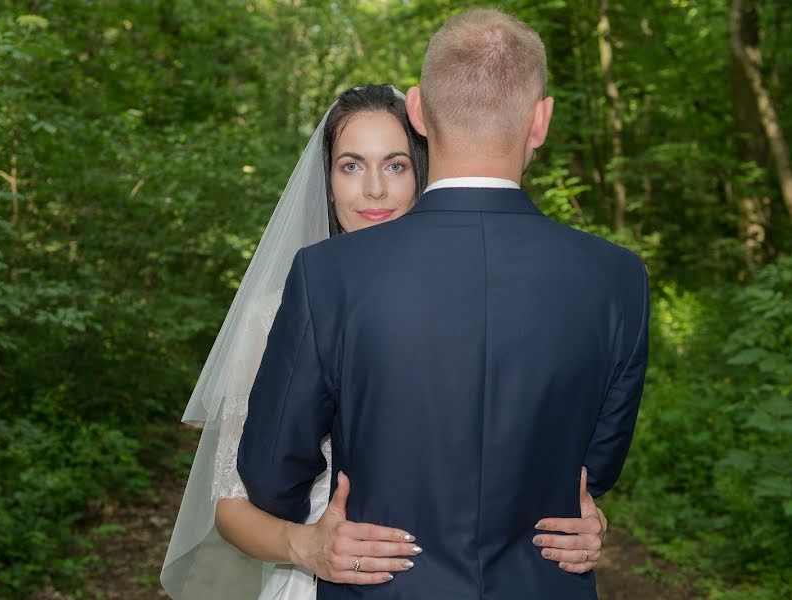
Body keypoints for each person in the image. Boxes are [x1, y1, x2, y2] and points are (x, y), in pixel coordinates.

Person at [237, 10, 648, 600]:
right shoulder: (618, 278)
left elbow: (271, 474)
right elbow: (595, 472)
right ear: (540, 120)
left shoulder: (330, 274)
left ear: (419, 112)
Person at [162, 85, 610, 600]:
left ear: (423, 170)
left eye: (395, 165)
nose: (374, 189)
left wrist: (587, 520)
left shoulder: (483, 299)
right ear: (326, 182)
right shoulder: (276, 312)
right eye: (351, 166)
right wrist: (307, 547)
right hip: (327, 579)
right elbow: (232, 504)